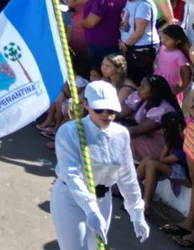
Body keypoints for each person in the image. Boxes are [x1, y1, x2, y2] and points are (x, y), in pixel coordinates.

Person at [49, 81, 149, 249]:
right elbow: (71, 174)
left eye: (110, 111)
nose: (105, 115)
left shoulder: (121, 134)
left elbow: (127, 175)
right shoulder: (70, 132)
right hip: (71, 199)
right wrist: (90, 210)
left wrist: (137, 212)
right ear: (86, 105)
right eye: (99, 109)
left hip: (103, 199)